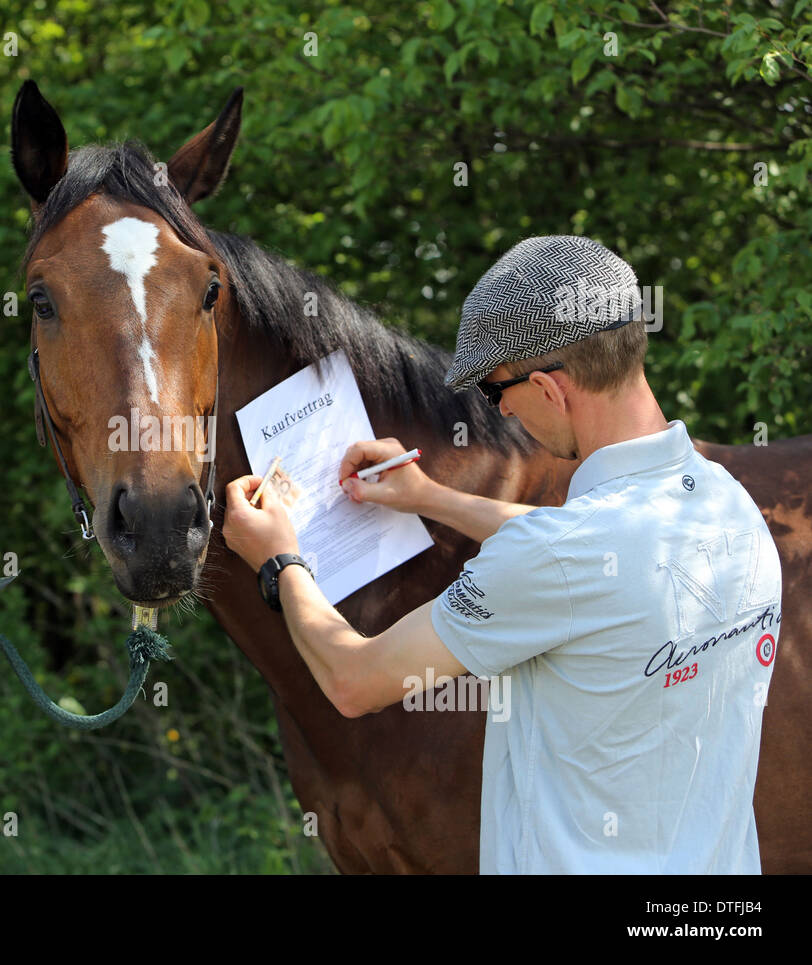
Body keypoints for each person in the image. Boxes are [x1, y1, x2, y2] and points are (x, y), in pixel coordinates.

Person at [222, 235, 782, 874]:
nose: (501, 412)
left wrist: (280, 558)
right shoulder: (727, 506)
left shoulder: (561, 556)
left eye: (493, 392)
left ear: (548, 386)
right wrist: (429, 497)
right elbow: (590, 554)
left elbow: (354, 682)